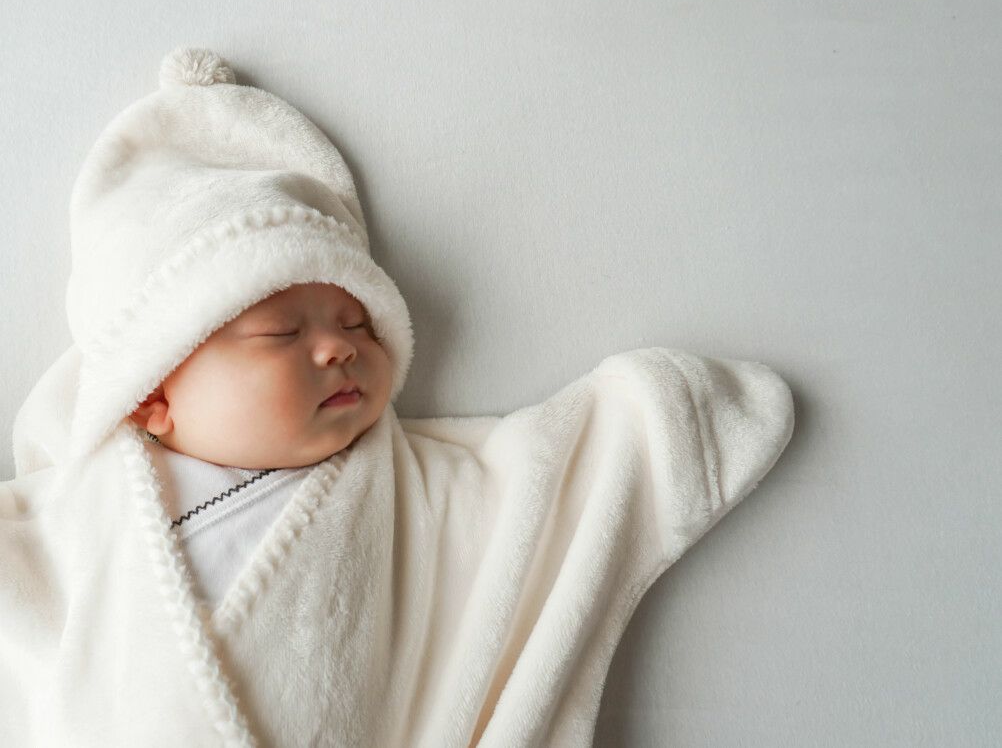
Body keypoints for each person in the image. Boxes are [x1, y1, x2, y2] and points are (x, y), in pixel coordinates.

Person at [0, 47, 796, 748]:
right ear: (151, 393)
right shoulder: (71, 513)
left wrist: (657, 420)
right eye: (281, 332)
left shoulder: (420, 499)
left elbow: (550, 488)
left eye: (357, 322)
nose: (339, 346)